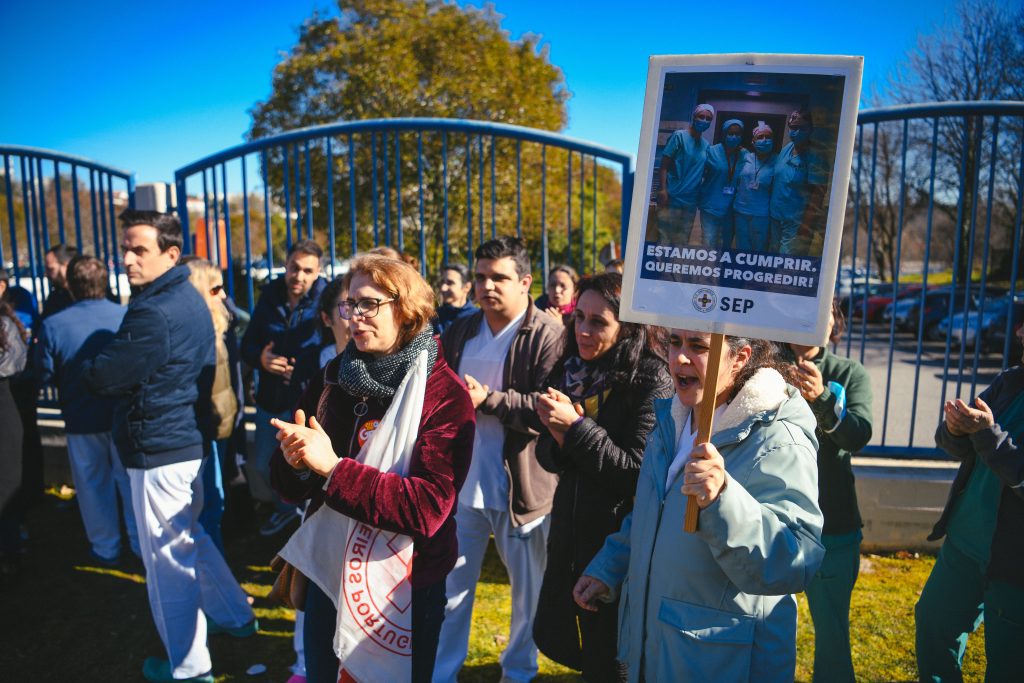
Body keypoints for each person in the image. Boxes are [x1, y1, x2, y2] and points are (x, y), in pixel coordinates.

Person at [269, 254, 475, 683]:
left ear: (406, 309)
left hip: (405, 587)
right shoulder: (333, 377)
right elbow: (292, 484)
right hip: (332, 568)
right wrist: (296, 464)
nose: (354, 317)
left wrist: (333, 469)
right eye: (350, 304)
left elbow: (428, 509)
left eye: (369, 305)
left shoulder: (444, 394)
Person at [573, 331, 825, 682]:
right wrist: (611, 565)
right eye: (675, 343)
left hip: (720, 663)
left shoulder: (778, 437)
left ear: (740, 358)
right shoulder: (673, 417)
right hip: (658, 650)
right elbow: (653, 511)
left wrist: (722, 498)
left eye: (699, 346)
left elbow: (794, 560)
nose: (679, 358)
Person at [82, 210, 255, 683]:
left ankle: (189, 667)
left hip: (160, 448)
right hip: (181, 441)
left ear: (171, 253)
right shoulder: (185, 297)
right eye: (125, 248)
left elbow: (106, 375)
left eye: (139, 249)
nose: (127, 259)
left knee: (167, 565)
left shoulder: (154, 309)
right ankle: (237, 617)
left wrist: (86, 368)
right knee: (191, 540)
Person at [434, 236, 564, 683]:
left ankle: (518, 672)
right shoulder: (462, 330)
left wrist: (489, 399)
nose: (487, 286)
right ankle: (441, 672)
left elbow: (550, 410)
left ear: (525, 282)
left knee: (528, 596)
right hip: (462, 486)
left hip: (523, 489)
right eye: (482, 277)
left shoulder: (549, 334)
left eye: (499, 278)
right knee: (450, 591)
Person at [532, 273, 672, 682]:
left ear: (626, 328)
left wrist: (575, 429)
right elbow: (548, 456)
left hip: (618, 549)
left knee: (614, 659)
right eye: (580, 318)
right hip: (572, 539)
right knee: (584, 651)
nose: (584, 331)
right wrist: (559, 436)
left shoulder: (650, 378)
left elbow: (637, 474)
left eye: (599, 322)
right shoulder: (572, 370)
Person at [915, 320, 1024, 682]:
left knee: (1008, 666)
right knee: (933, 627)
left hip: (1014, 565)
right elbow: (960, 447)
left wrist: (987, 435)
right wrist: (955, 429)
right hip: (965, 543)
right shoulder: (1009, 381)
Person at [784, 299, 873, 683]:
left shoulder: (849, 373)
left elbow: (858, 435)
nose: (813, 318)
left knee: (832, 630)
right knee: (759, 625)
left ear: (834, 321)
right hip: (774, 519)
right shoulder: (763, 364)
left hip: (833, 525)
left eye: (826, 310)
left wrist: (822, 399)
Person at [36, 255, 139, 566]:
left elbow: (44, 372)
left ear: (70, 286)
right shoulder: (125, 316)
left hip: (80, 414)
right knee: (129, 481)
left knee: (92, 485)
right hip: (122, 412)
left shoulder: (54, 324)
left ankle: (106, 547)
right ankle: (139, 543)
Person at [240, 239, 326, 537]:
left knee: (309, 465)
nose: (299, 276)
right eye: (294, 267)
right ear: (286, 265)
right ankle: (286, 512)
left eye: (307, 270)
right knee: (265, 465)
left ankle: (307, 520)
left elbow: (336, 347)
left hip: (308, 400)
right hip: (271, 399)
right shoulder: (270, 296)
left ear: (318, 272)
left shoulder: (327, 299)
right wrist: (260, 359)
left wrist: (305, 369)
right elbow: (247, 344)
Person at [183, 257, 242, 555]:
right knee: (208, 506)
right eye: (216, 287)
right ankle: (212, 579)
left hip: (220, 427)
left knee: (214, 502)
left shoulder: (220, 323)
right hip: (202, 432)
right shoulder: (194, 334)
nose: (223, 295)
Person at [770, 108, 830, 255]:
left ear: (810, 129)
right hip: (775, 218)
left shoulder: (816, 156)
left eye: (801, 128)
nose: (795, 132)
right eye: (792, 127)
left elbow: (819, 193)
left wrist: (806, 225)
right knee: (773, 261)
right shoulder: (787, 149)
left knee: (787, 267)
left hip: (797, 223)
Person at [656, 103, 714, 244]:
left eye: (708, 119)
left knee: (682, 239)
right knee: (665, 238)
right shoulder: (679, 137)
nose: (704, 121)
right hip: (672, 195)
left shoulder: (706, 145)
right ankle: (661, 264)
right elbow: (663, 166)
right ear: (694, 116)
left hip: (691, 200)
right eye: (701, 116)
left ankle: (674, 265)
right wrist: (663, 189)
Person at [0, 298, 27, 576]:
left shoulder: (6, 324)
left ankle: (10, 548)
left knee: (7, 485)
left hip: (3, 412)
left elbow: (13, 364)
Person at [698, 119, 744, 250]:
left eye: (738, 134)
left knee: (726, 244)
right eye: (730, 133)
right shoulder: (711, 151)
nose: (734, 137)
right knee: (709, 242)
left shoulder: (744, 155)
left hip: (731, 209)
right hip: (710, 206)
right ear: (724, 134)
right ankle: (706, 270)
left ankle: (722, 270)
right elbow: (697, 173)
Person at [733, 120, 778, 253]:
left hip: (762, 214)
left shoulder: (778, 160)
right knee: (741, 248)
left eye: (768, 137)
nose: (764, 140)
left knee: (758, 251)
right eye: (760, 137)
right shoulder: (745, 156)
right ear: (753, 142)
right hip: (741, 211)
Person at [432, 263, 476, 335]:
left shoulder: (477, 318)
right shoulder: (434, 318)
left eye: (450, 283)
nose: (443, 288)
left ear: (467, 287)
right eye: (442, 282)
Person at [42, 243, 78, 318]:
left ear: (66, 266)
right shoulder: (56, 295)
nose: (46, 274)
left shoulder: (89, 293)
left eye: (51, 269)